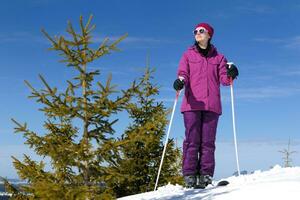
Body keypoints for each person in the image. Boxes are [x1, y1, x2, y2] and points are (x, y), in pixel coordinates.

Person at [173, 22, 239, 189]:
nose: (197, 33)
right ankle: (189, 175)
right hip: (192, 104)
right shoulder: (188, 55)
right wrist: (180, 81)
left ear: (209, 34)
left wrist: (232, 74)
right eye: (195, 31)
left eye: (201, 31)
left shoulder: (219, 58)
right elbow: (183, 73)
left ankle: (206, 176)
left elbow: (224, 80)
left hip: (211, 105)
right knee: (192, 141)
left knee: (208, 142)